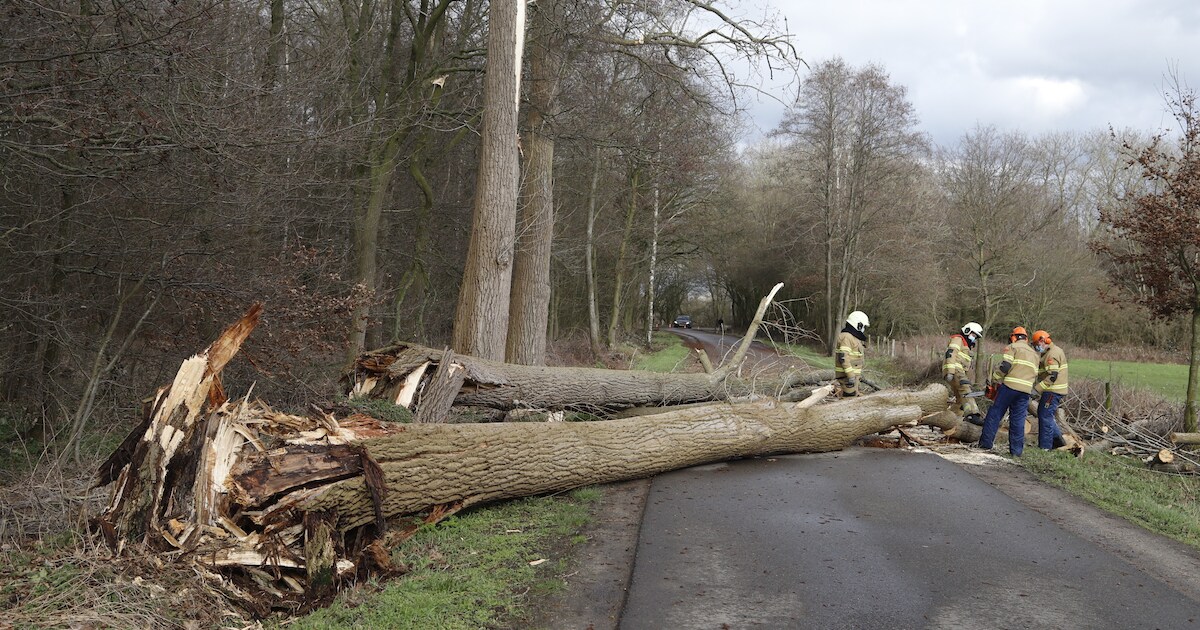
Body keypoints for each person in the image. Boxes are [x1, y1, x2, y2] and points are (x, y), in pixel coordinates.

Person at [976, 326, 1039, 456]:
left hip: (1010, 386)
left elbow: (1005, 366)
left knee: (995, 413)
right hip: (1025, 390)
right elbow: (1035, 374)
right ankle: (1016, 452)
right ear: (1026, 339)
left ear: (1014, 337)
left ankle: (985, 444)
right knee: (1018, 420)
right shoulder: (1034, 354)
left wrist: (995, 378)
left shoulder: (1013, 347)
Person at [1031, 330, 1069, 449]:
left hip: (1053, 390)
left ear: (1043, 341)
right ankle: (1058, 440)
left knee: (1045, 415)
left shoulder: (1051, 354)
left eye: (1037, 344)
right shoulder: (1050, 352)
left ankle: (1045, 447)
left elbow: (1052, 376)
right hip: (1052, 390)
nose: (1036, 347)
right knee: (1045, 414)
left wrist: (1036, 390)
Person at [943, 322, 984, 425]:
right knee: (965, 390)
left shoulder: (965, 346)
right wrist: (950, 372)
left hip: (959, 371)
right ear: (967, 331)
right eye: (973, 335)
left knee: (960, 400)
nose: (974, 338)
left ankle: (948, 420)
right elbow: (951, 353)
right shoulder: (958, 339)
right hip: (955, 369)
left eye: (975, 336)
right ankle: (973, 414)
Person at [835, 311, 869, 397]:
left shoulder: (853, 337)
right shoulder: (846, 337)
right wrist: (851, 375)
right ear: (858, 325)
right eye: (863, 326)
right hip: (847, 378)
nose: (863, 329)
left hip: (853, 378)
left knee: (854, 398)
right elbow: (843, 358)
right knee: (848, 400)